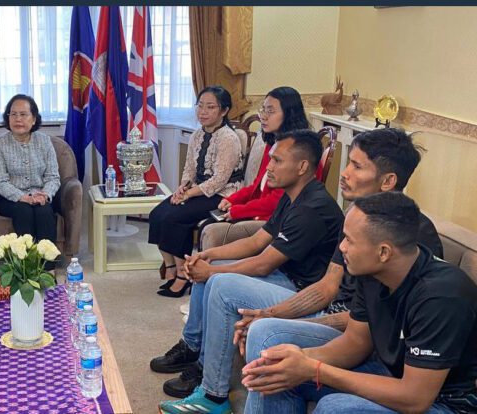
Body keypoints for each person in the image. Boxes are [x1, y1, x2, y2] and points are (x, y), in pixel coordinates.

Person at [158, 128, 444, 414]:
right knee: (237, 298)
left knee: (258, 325)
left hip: (353, 334)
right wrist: (266, 314)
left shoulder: (411, 239)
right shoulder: (357, 218)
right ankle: (199, 364)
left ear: (388, 181)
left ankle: (213, 396)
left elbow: (373, 326)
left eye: (356, 166)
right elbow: (327, 286)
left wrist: (278, 324)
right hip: (340, 318)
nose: (344, 173)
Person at [152, 129, 344, 412]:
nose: (269, 167)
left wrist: (212, 273)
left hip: (303, 295)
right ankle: (192, 349)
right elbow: (257, 241)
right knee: (214, 271)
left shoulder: (313, 207)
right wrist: (207, 255)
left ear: (302, 166)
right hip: (285, 279)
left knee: (221, 283)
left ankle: (213, 396)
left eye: (277, 161)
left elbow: (265, 262)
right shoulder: (292, 196)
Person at [242, 192, 477, 414]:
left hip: (445, 403)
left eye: (350, 241)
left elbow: (415, 397)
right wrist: (298, 360)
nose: (341, 247)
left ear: (383, 252)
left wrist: (315, 369)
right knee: (275, 377)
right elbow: (355, 343)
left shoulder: (441, 296)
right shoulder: (372, 272)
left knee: (336, 408)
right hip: (394, 375)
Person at [148, 86, 245, 298]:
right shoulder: (198, 134)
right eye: (200, 106)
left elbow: (220, 180)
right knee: (157, 215)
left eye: (210, 107)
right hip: (196, 191)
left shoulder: (228, 138)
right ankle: (171, 268)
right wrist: (182, 188)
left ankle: (184, 276)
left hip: (222, 195)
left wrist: (189, 195)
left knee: (174, 218)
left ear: (224, 111)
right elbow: (189, 169)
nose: (203, 111)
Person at [199, 86, 308, 250]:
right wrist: (232, 200)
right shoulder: (274, 142)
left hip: (276, 220)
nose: (262, 116)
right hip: (262, 212)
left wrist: (239, 210)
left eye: (270, 111)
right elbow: (257, 185)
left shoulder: (297, 150)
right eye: (263, 109)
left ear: (289, 114)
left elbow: (278, 201)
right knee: (209, 222)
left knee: (210, 229)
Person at [0, 94, 61, 266]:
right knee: (24, 210)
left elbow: (53, 177)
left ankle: (47, 267)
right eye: (13, 114)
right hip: (11, 198)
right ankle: (25, 266)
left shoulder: (44, 142)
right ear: (8, 118)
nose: (18, 119)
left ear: (34, 119)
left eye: (23, 114)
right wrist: (22, 197)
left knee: (44, 211)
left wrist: (44, 194)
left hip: (41, 194)